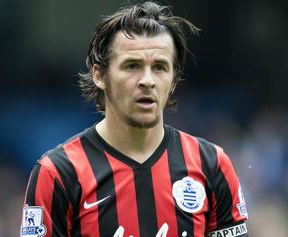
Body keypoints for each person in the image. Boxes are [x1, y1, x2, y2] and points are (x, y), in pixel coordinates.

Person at [20, 1, 249, 237]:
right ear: (99, 75)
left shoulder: (212, 165)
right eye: (132, 66)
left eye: (159, 67)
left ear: (173, 80)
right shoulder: (58, 173)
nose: (147, 80)